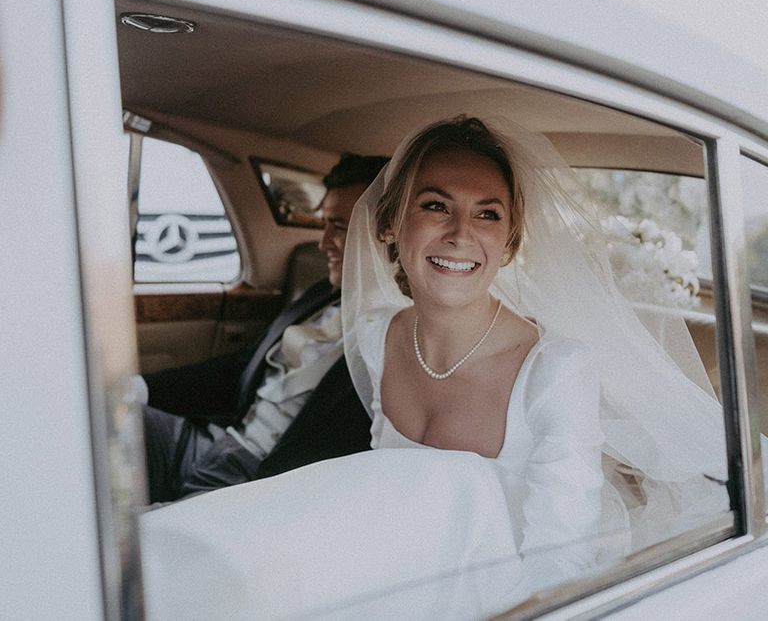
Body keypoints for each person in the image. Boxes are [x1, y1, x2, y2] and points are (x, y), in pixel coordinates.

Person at [141, 117, 730, 619]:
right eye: (435, 205)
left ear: (510, 241)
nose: (460, 234)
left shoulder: (555, 367)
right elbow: (377, 498)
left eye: (488, 215)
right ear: (393, 223)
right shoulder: (375, 339)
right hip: (391, 576)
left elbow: (560, 561)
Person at [141, 153, 388, 502]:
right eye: (324, 225)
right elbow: (242, 367)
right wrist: (138, 389)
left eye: (340, 226)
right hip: (214, 441)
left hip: (255, 481)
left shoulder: (397, 337)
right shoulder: (323, 292)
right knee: (111, 418)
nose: (322, 243)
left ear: (385, 231)